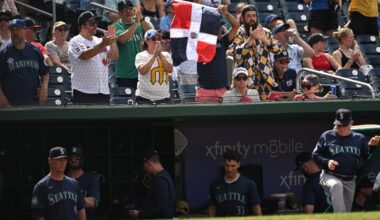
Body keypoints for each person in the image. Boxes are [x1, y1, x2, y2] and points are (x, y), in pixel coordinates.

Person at [312, 108, 379, 212]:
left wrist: (372, 146)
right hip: (329, 175)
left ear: (351, 123)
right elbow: (315, 154)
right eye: (339, 125)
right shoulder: (327, 136)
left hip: (349, 179)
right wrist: (327, 162)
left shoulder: (359, 138)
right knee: (336, 185)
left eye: (344, 125)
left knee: (346, 213)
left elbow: (366, 157)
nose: (342, 128)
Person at [231, 4, 283, 101]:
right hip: (245, 79)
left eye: (254, 16)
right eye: (249, 16)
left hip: (264, 78)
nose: (252, 19)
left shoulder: (265, 32)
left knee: (264, 109)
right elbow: (236, 53)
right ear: (242, 18)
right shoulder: (239, 33)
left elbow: (278, 49)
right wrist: (251, 39)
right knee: (247, 107)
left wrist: (265, 40)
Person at [68, 11, 118, 105]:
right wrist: (103, 44)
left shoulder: (99, 40)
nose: (95, 25)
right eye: (92, 23)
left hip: (103, 91)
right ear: (82, 25)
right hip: (83, 91)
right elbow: (85, 56)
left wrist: (112, 41)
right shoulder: (76, 40)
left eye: (96, 23)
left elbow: (114, 56)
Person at [0, 19, 49, 107]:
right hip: (11, 103)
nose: (15, 32)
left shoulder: (35, 51)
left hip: (33, 101)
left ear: (24, 30)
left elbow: (45, 72)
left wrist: (44, 87)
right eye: (12, 30)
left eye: (18, 29)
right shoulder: (4, 53)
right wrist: (1, 97)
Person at [195, 5, 239, 103]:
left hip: (222, 90)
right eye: (217, 26)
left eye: (220, 26)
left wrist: (226, 14)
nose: (220, 29)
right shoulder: (199, 41)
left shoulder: (223, 41)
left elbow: (236, 26)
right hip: (204, 90)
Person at [31, 146, 86, 220]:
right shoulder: (41, 186)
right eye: (59, 159)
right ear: (50, 160)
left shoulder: (74, 184)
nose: (62, 163)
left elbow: (81, 210)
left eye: (64, 159)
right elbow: (39, 215)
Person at [208, 150, 262, 216]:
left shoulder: (249, 184)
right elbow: (212, 207)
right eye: (227, 165)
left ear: (238, 165)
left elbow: (256, 208)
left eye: (233, 166)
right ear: (223, 164)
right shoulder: (215, 184)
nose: (229, 169)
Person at [115, 0, 152, 89]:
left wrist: (141, 19)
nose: (128, 12)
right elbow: (122, 39)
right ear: (119, 14)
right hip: (125, 74)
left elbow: (151, 33)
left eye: (130, 9)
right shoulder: (117, 26)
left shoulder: (140, 25)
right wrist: (136, 23)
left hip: (142, 71)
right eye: (124, 10)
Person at [129, 149, 175, 218]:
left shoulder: (160, 180)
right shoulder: (164, 176)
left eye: (144, 164)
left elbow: (162, 208)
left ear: (149, 163)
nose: (144, 168)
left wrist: (140, 214)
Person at [134, 29, 173, 104]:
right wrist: (154, 56)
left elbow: (170, 69)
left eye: (159, 39)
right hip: (144, 97)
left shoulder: (166, 55)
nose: (157, 41)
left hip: (163, 97)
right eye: (154, 39)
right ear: (146, 40)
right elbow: (142, 71)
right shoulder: (140, 55)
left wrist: (160, 55)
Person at [67, 146, 100, 220]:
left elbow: (94, 202)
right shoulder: (62, 179)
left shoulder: (91, 179)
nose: (73, 159)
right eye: (71, 157)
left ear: (82, 159)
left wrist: (69, 199)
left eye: (77, 157)